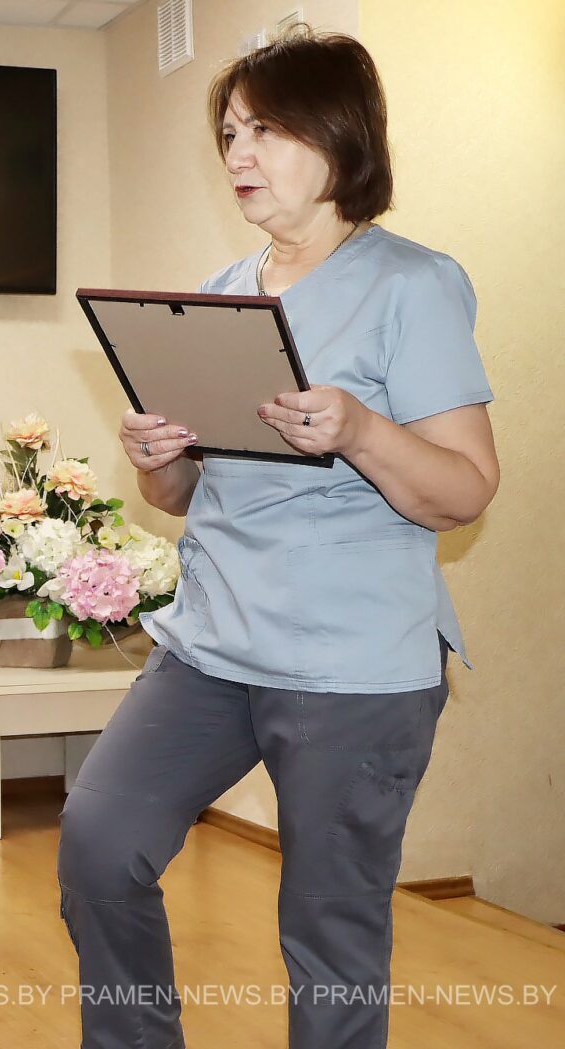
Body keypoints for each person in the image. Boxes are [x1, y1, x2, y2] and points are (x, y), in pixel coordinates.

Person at [57, 29, 499, 1049]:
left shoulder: (412, 284)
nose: (238, 154)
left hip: (352, 665)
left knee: (327, 928)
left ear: (338, 137)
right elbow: (185, 493)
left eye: (264, 129)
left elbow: (466, 488)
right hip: (211, 645)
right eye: (228, 134)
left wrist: (361, 429)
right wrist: (155, 457)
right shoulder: (219, 290)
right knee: (99, 842)